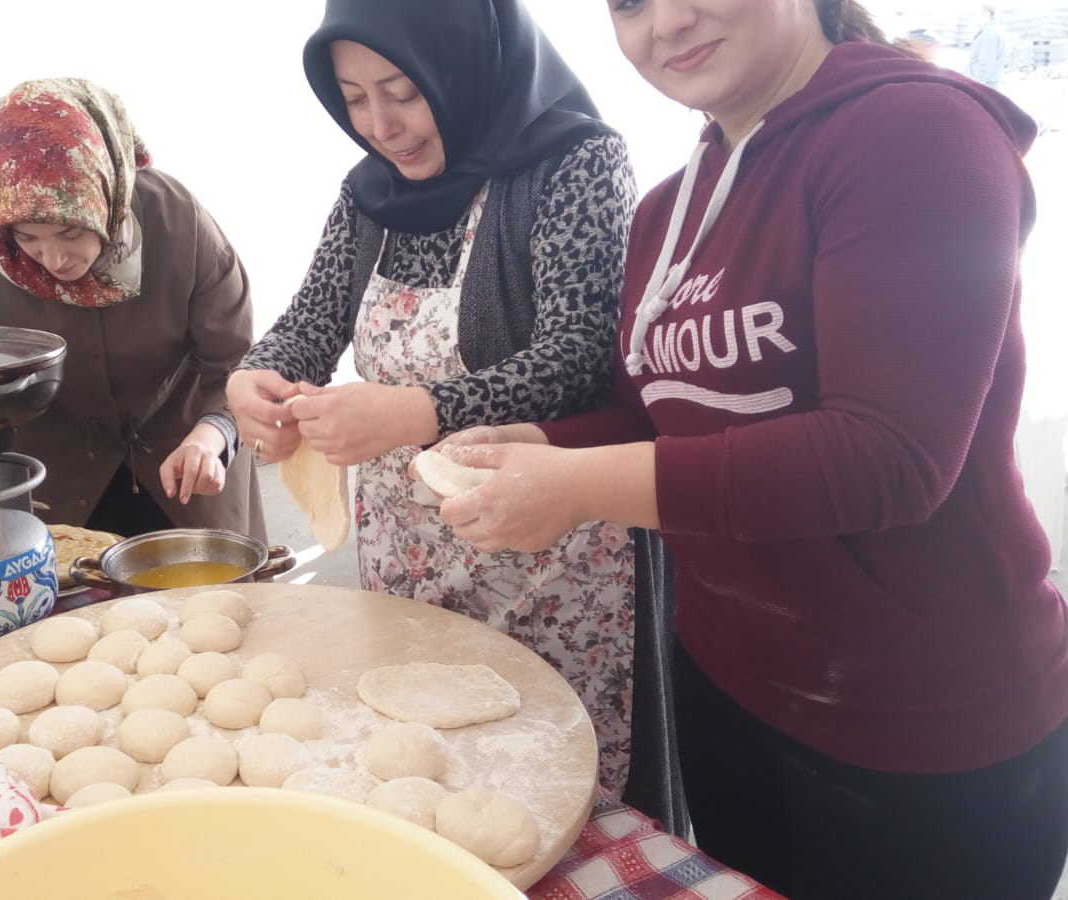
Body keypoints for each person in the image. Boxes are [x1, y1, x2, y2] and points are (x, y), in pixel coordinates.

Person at [430, 1, 1068, 895]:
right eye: (628, 2)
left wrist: (577, 485)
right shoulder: (669, 210)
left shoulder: (915, 132)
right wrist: (534, 443)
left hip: (921, 717)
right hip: (730, 684)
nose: (668, 20)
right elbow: (656, 417)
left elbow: (888, 456)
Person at [227, 0, 641, 791]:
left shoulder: (575, 163)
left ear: (463, 65)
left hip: (544, 550)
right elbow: (308, 324)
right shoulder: (369, 193)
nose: (381, 125)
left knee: (541, 781)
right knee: (421, 772)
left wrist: (418, 412)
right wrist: (253, 379)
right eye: (354, 99)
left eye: (403, 91)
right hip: (406, 552)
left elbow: (580, 358)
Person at [0, 79, 264, 540]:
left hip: (186, 453)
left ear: (105, 196)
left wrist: (214, 432)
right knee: (69, 580)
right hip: (56, 470)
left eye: (70, 233)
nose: (53, 260)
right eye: (27, 238)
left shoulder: (177, 221)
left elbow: (238, 363)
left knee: (210, 580)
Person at [968, 5, 1008, 88]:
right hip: (987, 84)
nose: (971, 18)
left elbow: (985, 65)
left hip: (984, 85)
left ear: (986, 15)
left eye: (974, 15)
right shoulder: (994, 30)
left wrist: (974, 87)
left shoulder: (990, 34)